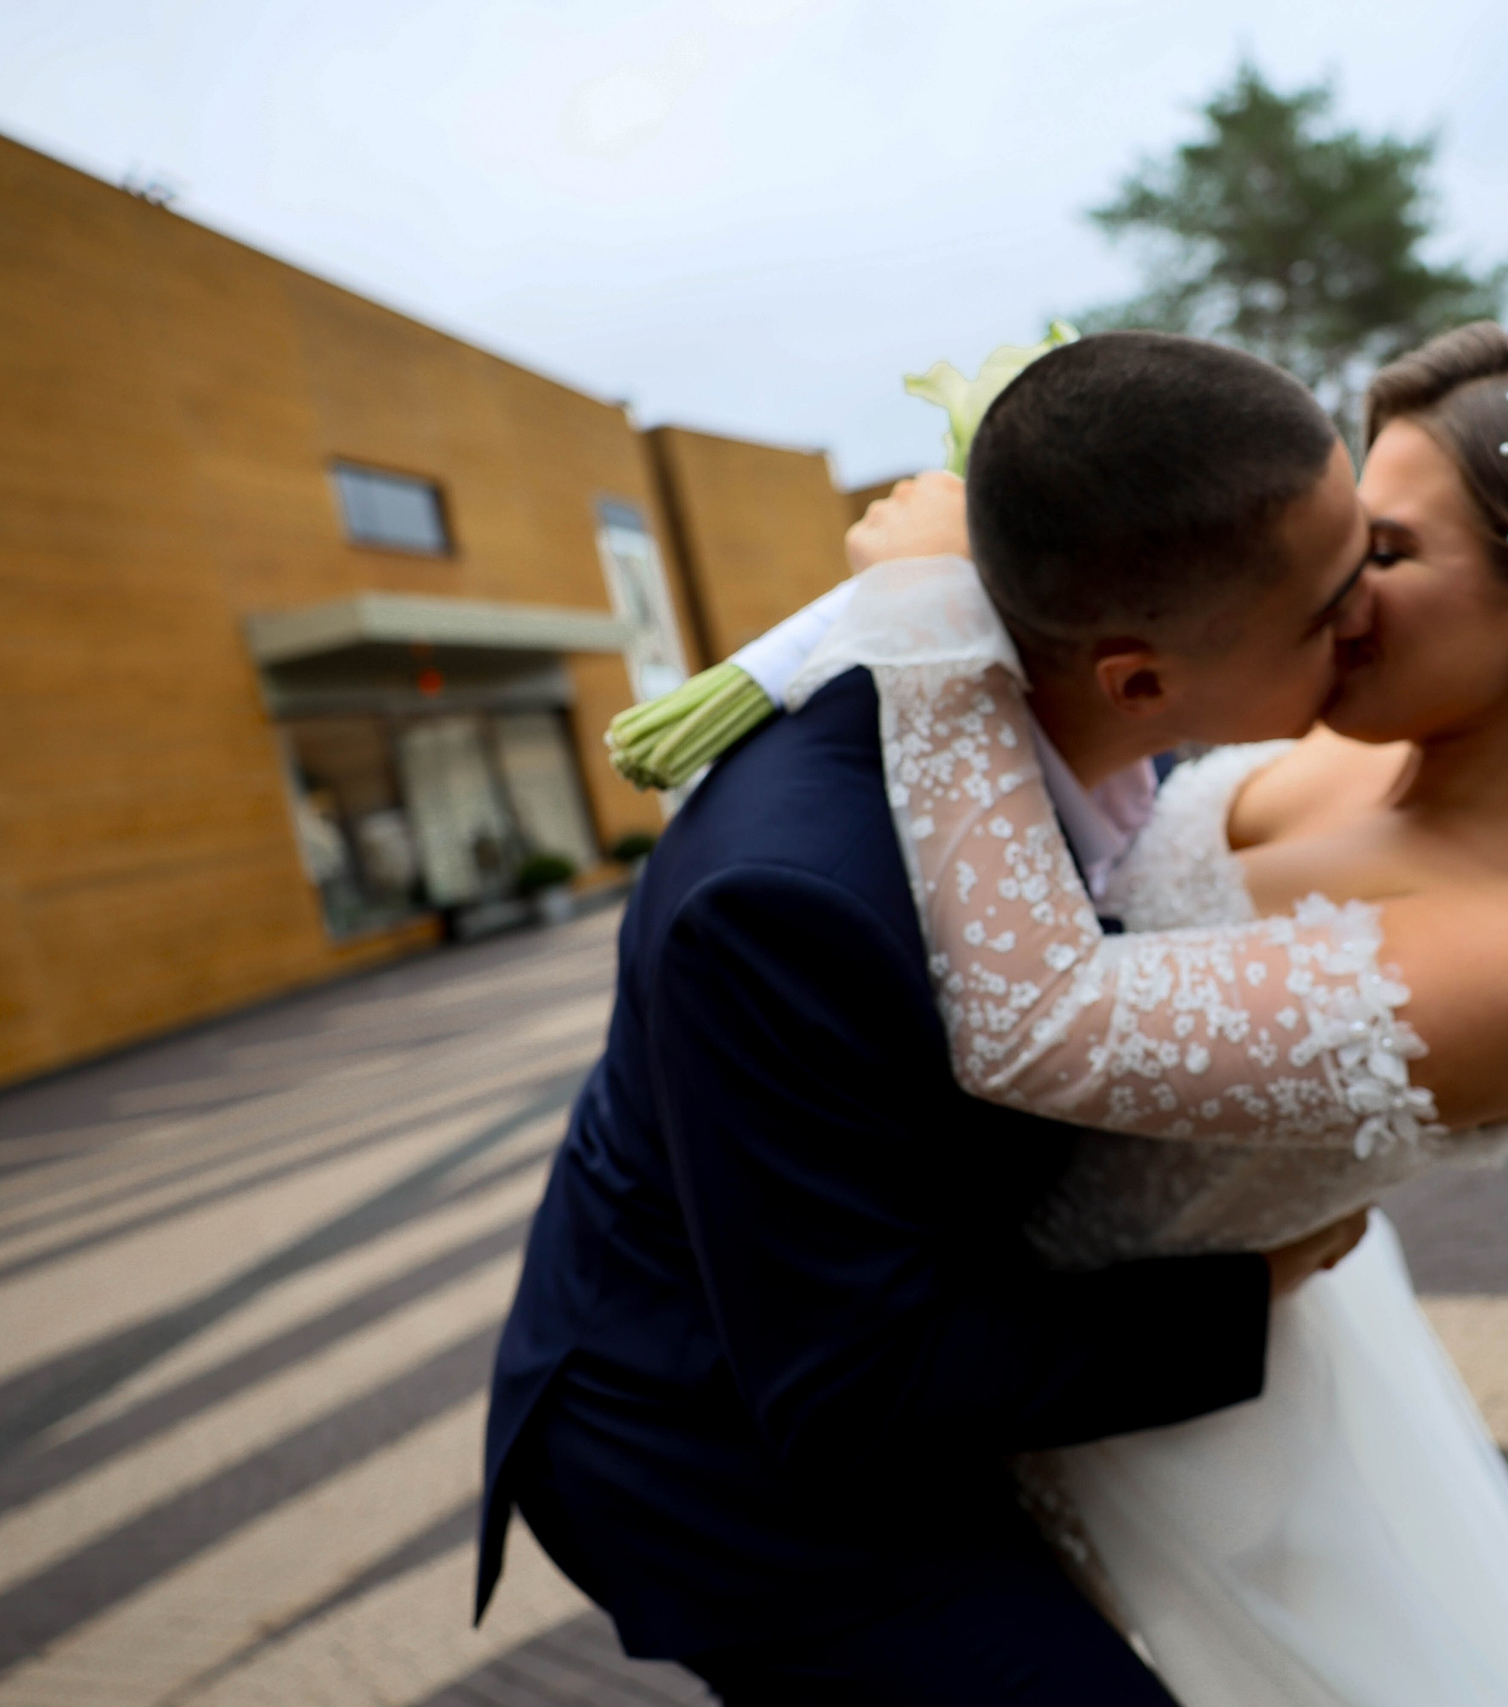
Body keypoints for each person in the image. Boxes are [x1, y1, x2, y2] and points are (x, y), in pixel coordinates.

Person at [774, 322, 1508, 1706]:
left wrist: (931, 628)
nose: (1336, 593)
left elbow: (1040, 1020)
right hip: (1002, 1369)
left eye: (1382, 553)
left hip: (1182, 1449)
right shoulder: (1345, 733)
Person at [478, 332, 1388, 1704]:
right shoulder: (789, 900)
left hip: (937, 1326)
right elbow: (856, 1376)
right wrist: (1248, 1289)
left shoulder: (1107, 703)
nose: (1372, 612)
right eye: (1334, 606)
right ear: (1137, 680)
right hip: (727, 1445)